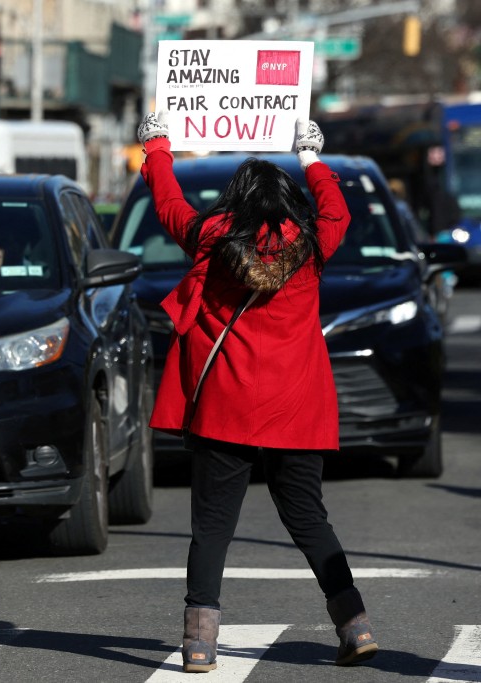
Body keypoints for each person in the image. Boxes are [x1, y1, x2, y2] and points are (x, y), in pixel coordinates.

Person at [136, 111, 379, 672]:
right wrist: (312, 156)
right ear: (288, 203)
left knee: (212, 526)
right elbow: (337, 209)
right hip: (297, 405)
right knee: (309, 518)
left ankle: (200, 642)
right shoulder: (313, 244)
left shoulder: (212, 238)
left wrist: (157, 147)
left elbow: (170, 205)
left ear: (237, 202)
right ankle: (354, 623)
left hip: (226, 405)